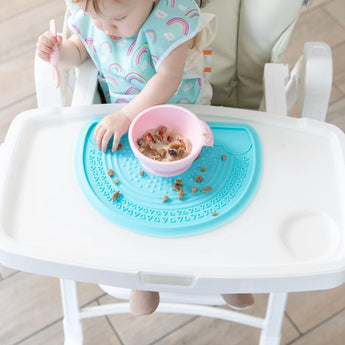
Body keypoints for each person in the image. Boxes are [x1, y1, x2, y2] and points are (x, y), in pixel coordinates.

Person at [36, 0, 254, 316]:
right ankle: (144, 279)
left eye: (118, 19)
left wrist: (127, 113)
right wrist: (58, 53)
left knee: (209, 198)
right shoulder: (95, 17)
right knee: (136, 202)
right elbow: (79, 50)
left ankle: (225, 274)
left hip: (186, 120)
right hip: (127, 128)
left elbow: (167, 78)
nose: (104, 28)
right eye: (95, 18)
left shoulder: (170, 22)